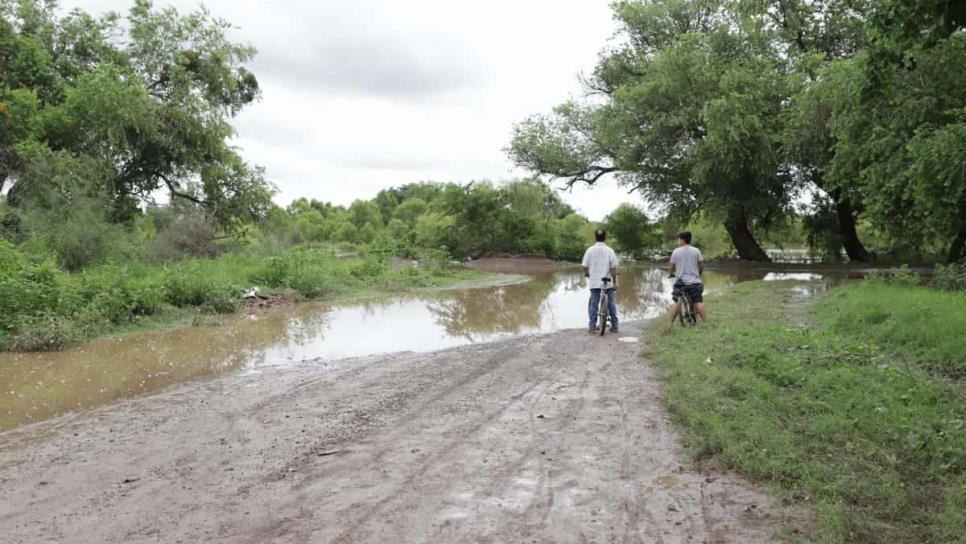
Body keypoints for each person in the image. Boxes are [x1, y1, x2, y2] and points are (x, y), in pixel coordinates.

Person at [582, 229, 619, 333]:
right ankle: (615, 326)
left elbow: (584, 266)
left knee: (593, 304)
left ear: (595, 237)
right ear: (605, 237)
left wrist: (587, 273)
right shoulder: (609, 250)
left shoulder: (590, 250)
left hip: (594, 282)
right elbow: (613, 268)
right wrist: (615, 282)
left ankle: (592, 327)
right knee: (611, 303)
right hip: (608, 282)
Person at [668, 231, 707, 324]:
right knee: (698, 301)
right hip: (695, 282)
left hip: (681, 283)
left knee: (677, 301)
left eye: (679, 239)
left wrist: (671, 273)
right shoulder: (696, 250)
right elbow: (701, 265)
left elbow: (671, 267)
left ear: (682, 240)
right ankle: (706, 323)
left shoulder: (676, 251)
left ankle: (669, 324)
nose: (678, 241)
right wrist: (699, 273)